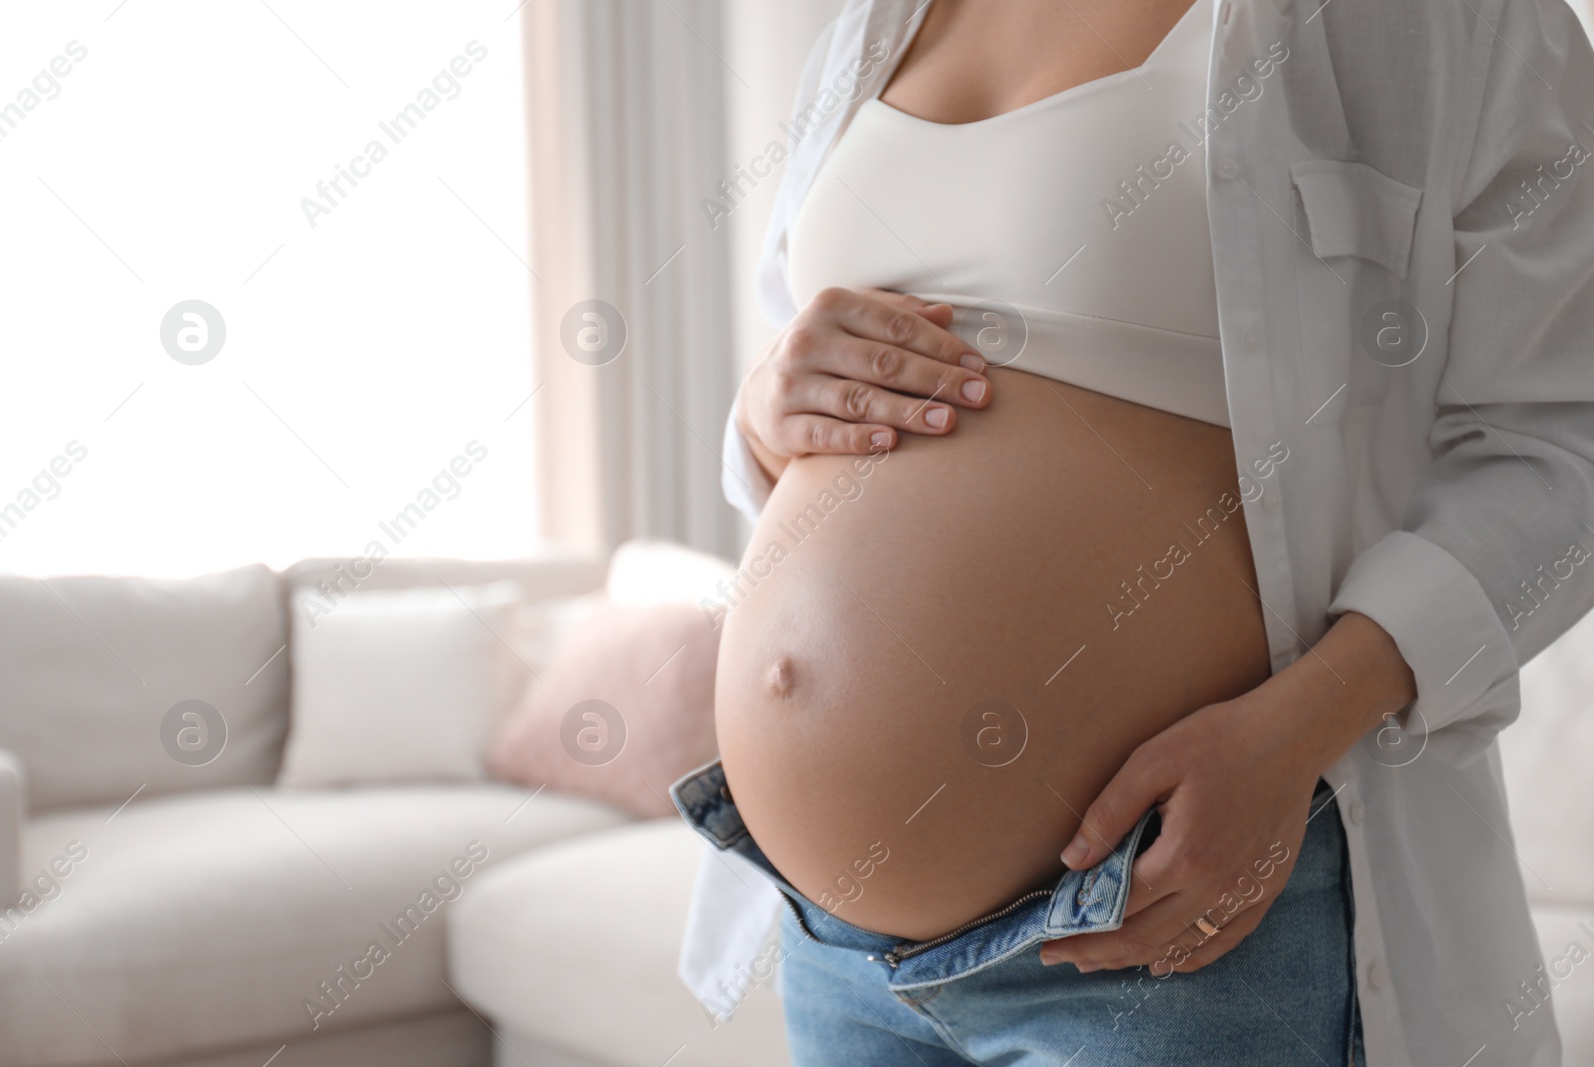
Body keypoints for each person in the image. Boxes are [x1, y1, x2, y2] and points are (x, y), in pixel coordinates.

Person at [670, 0, 1594, 1064]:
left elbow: (1564, 442)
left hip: (1174, 922)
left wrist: (1296, 730)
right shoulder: (872, 25)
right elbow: (799, 395)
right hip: (836, 951)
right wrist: (765, 409)